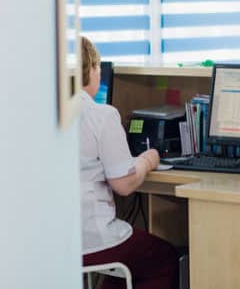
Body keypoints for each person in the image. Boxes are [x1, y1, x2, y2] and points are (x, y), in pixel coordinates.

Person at [79, 37, 178, 289]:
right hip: (90, 240)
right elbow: (124, 185)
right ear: (89, 69)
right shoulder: (99, 115)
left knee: (125, 260)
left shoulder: (40, 113)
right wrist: (147, 160)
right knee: (163, 259)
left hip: (49, 243)